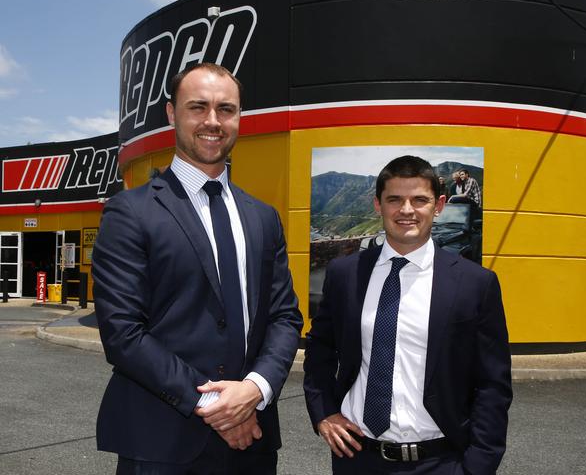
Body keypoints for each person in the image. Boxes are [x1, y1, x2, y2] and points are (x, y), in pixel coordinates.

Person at [92, 63, 303, 474]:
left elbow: (284, 316)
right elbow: (122, 332)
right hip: (160, 444)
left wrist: (254, 391)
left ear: (240, 117)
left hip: (253, 442)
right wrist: (217, 407)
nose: (213, 121)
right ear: (172, 114)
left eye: (226, 109)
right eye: (198, 107)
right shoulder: (129, 213)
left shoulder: (263, 217)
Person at [303, 155, 511, 475]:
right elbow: (319, 350)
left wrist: (479, 465)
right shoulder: (345, 273)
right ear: (378, 205)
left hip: (443, 462)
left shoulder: (475, 283)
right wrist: (323, 413)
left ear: (438, 205)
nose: (407, 210)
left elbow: (492, 384)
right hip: (357, 457)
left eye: (420, 200)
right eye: (395, 199)